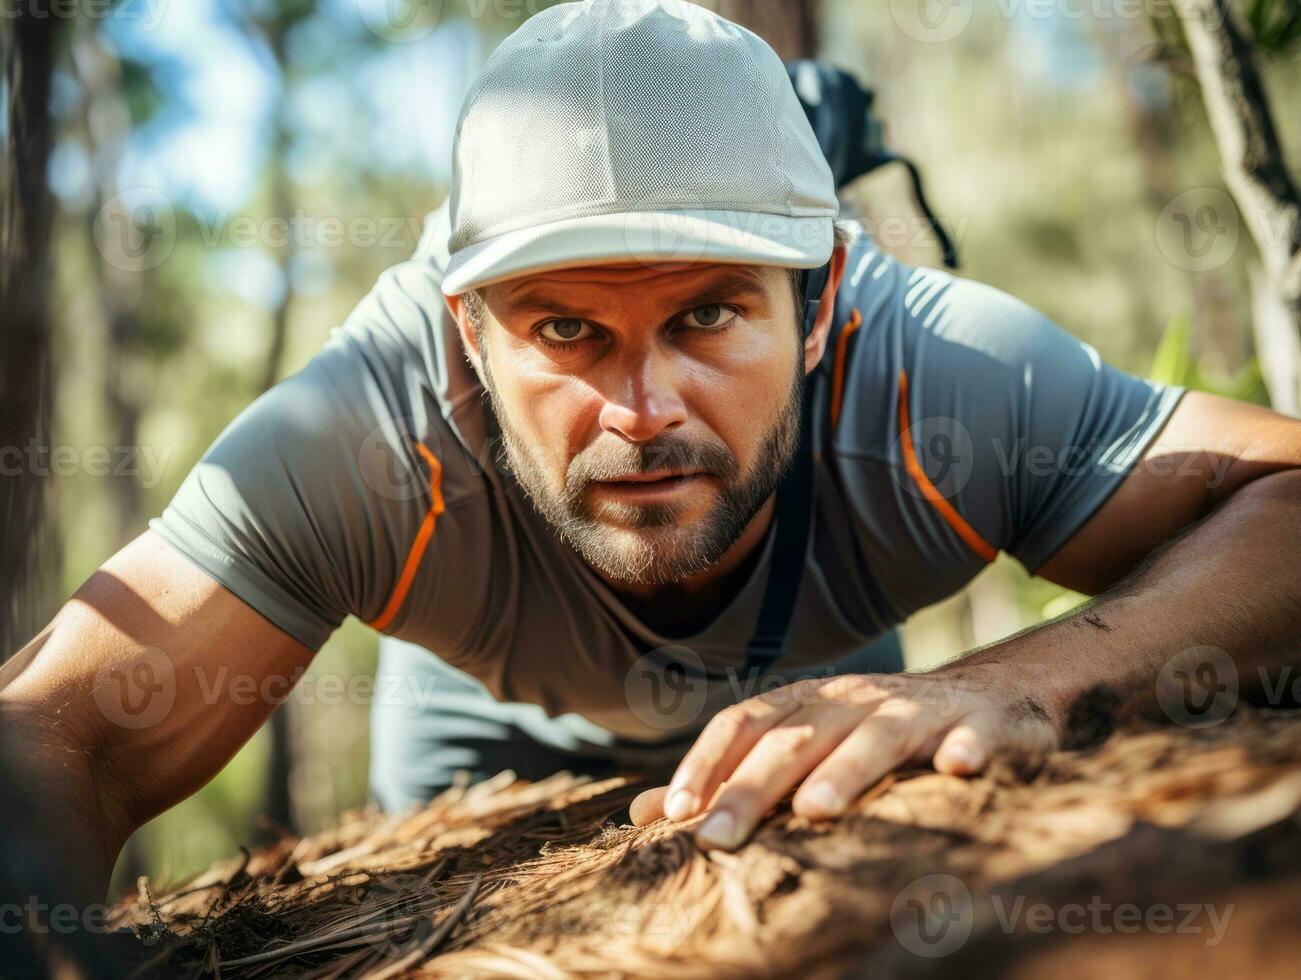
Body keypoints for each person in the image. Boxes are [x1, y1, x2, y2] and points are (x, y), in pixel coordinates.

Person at [2, 0, 1299, 904]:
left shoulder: (936, 379)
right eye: (564, 329)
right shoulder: (367, 430)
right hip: (479, 729)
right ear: (466, 330)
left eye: (706, 316)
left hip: (816, 679)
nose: (640, 406)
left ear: (823, 300)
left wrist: (1017, 682)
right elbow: (62, 742)